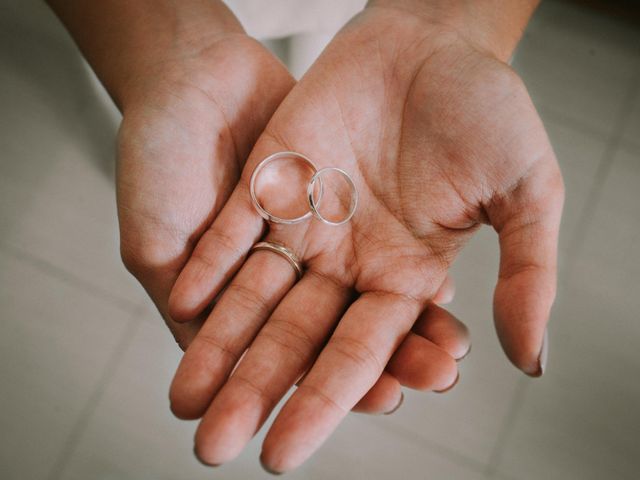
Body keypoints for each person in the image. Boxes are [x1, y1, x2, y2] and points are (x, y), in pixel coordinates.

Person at [47, 0, 563, 474]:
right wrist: (164, 53)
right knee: (162, 158)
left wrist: (447, 22)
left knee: (320, 63)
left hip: (363, 44)